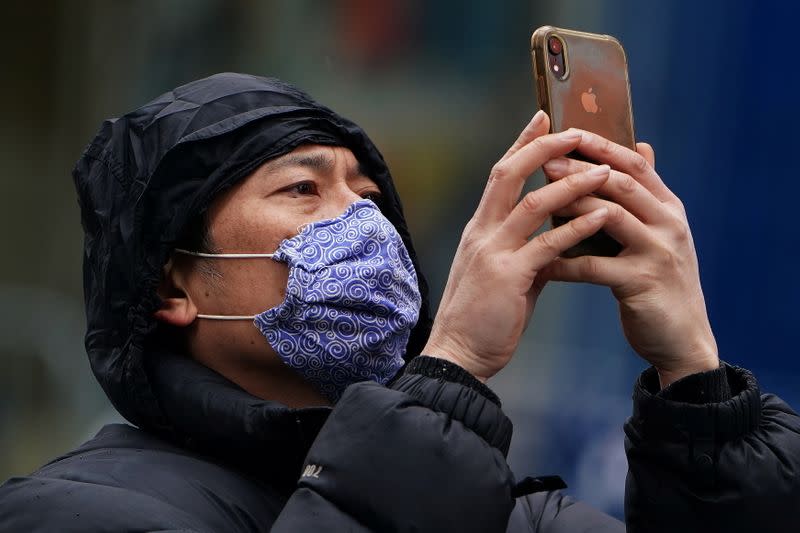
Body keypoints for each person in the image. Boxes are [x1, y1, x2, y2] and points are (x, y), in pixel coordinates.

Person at [0, 72, 797, 533]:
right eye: (305, 188)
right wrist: (452, 373)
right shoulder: (75, 511)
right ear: (173, 284)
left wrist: (695, 387)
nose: (361, 222)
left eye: (372, 197)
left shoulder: (497, 508)